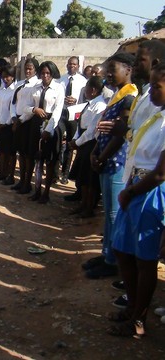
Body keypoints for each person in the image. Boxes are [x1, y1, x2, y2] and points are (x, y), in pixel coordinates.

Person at [108, 63, 165, 338]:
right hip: (136, 186)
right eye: (152, 85)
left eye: (157, 86)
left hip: (150, 192)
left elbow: (161, 173)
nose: (152, 91)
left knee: (144, 260)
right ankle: (133, 307)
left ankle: (138, 320)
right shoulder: (158, 116)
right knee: (123, 249)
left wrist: (131, 191)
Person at [88, 52, 138, 279]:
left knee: (114, 215)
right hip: (106, 158)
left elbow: (119, 134)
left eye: (113, 68)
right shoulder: (118, 94)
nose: (108, 73)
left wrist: (102, 156)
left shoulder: (130, 96)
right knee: (108, 211)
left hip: (116, 160)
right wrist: (96, 151)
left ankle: (114, 262)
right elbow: (106, 129)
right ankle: (106, 253)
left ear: (128, 70)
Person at [22, 61, 65, 204]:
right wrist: (34, 110)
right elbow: (26, 106)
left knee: (49, 160)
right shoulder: (35, 87)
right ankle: (36, 190)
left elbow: (58, 110)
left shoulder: (59, 88)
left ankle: (46, 192)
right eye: (43, 73)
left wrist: (49, 129)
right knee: (34, 157)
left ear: (52, 73)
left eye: (48, 73)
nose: (45, 76)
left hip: (51, 123)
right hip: (35, 123)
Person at [68, 76, 107, 218]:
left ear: (93, 89)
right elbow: (80, 125)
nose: (84, 90)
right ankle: (83, 204)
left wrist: (77, 143)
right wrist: (74, 139)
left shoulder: (100, 106)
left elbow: (91, 131)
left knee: (90, 180)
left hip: (90, 144)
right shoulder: (89, 104)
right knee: (83, 177)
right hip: (82, 142)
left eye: (86, 87)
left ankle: (89, 207)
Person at [10, 58, 40, 189]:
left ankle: (27, 182)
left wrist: (21, 119)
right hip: (17, 120)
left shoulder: (37, 85)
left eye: (30, 68)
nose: (27, 71)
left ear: (35, 70)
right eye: (26, 68)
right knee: (20, 153)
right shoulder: (19, 84)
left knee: (28, 154)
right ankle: (21, 180)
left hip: (28, 122)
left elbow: (33, 106)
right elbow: (13, 102)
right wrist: (13, 117)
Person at [59, 56, 87, 184]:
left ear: (78, 66)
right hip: (62, 113)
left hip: (74, 115)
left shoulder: (83, 81)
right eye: (70, 64)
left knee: (70, 144)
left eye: (74, 64)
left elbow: (86, 100)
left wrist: (75, 100)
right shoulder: (61, 80)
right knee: (58, 141)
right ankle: (54, 172)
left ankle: (65, 173)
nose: (71, 66)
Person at [0, 65, 16, 183]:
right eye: (4, 77)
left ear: (13, 77)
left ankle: (9, 175)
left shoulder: (15, 90)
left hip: (9, 125)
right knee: (0, 150)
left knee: (9, 152)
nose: (6, 79)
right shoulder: (0, 90)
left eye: (8, 76)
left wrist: (6, 123)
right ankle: (1, 171)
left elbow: (13, 108)